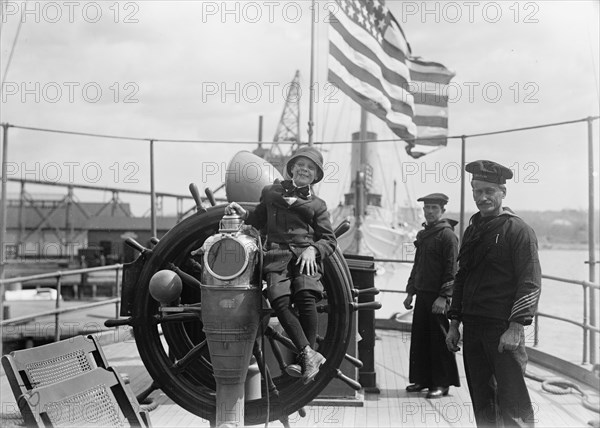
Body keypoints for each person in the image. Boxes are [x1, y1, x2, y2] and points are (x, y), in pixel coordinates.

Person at [225, 146, 336, 384]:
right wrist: (243, 214)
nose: (304, 170)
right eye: (301, 165)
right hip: (276, 256)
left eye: (310, 168)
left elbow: (329, 240)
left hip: (304, 258)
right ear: (292, 169)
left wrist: (313, 249)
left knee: (306, 296)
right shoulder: (270, 193)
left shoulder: (319, 205)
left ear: (315, 176)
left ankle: (306, 356)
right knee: (279, 300)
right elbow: (258, 221)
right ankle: (309, 354)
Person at [446, 160, 541, 427]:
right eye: (477, 191)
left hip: (502, 330)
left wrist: (515, 326)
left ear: (503, 192)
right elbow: (462, 277)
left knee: (513, 405)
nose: (483, 197)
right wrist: (454, 324)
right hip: (473, 329)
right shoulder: (473, 230)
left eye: (489, 191)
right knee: (483, 402)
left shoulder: (518, 230)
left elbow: (530, 282)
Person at [403, 193, 460, 399]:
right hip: (422, 295)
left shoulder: (447, 236)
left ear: (443, 211)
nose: (429, 211)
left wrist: (444, 297)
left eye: (434, 208)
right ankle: (423, 380)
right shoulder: (424, 235)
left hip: (438, 298)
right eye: (427, 208)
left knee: (438, 340)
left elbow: (451, 269)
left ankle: (442, 383)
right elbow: (417, 266)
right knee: (420, 339)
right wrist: (410, 291)